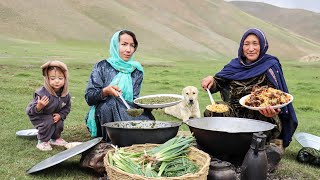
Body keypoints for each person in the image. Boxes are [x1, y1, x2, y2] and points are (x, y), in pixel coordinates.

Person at [201, 28, 298, 149]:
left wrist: (273, 111)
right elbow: (218, 83)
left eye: (255, 44)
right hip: (234, 112)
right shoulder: (235, 65)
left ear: (262, 45)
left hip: (261, 115)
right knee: (213, 111)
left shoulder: (270, 65)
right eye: (246, 44)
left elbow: (278, 97)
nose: (251, 48)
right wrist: (211, 80)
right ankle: (221, 144)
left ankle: (255, 148)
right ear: (242, 46)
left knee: (265, 124)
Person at [85, 30, 155, 141]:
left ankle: (128, 135)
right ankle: (112, 139)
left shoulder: (136, 71)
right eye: (124, 44)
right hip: (103, 115)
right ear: (115, 45)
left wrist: (148, 106)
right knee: (110, 104)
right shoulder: (102, 66)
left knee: (149, 119)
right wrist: (106, 91)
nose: (128, 50)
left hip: (126, 110)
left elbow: (134, 100)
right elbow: (89, 98)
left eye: (132, 46)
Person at [26, 61, 71, 151]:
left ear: (65, 79)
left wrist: (60, 115)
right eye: (52, 78)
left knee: (59, 122)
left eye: (60, 78)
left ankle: (54, 138)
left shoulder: (65, 94)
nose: (57, 81)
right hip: (39, 116)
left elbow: (67, 107)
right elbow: (29, 110)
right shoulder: (42, 93)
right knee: (48, 121)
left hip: (53, 115)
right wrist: (39, 106)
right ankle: (42, 141)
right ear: (47, 79)